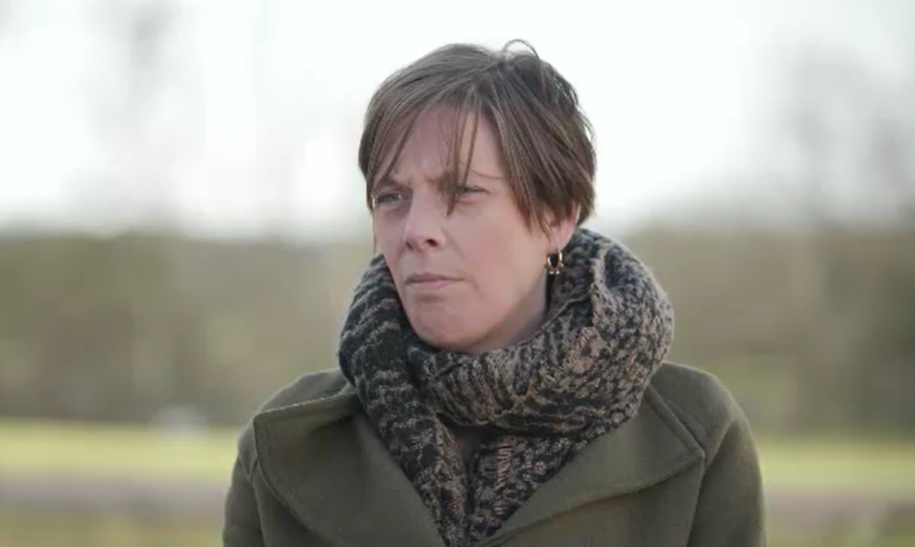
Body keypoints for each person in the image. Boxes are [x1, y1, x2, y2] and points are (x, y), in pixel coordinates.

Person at [223, 40, 764, 547]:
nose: (416, 230)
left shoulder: (696, 435)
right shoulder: (285, 445)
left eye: (463, 191)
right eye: (391, 196)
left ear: (556, 217)